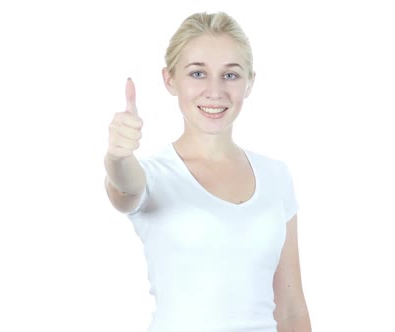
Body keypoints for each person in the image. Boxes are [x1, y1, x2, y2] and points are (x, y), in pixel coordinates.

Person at [104, 11, 311, 332]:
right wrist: (116, 157)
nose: (215, 91)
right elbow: (124, 187)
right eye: (198, 74)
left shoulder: (276, 177)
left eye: (230, 75)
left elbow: (292, 309)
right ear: (169, 79)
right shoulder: (153, 176)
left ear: (249, 82)